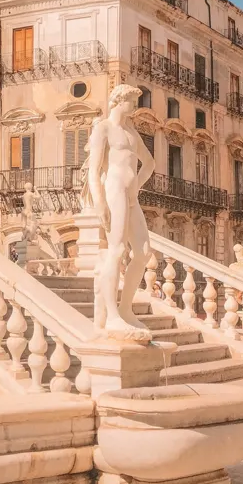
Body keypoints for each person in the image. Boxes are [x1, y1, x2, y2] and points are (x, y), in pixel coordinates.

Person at [84, 84, 154, 341]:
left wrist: (137, 185)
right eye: (131, 101)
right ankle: (112, 315)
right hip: (114, 188)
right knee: (117, 250)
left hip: (130, 193)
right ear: (119, 101)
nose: (134, 106)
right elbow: (93, 171)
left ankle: (125, 309)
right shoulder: (103, 128)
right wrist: (99, 202)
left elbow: (150, 163)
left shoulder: (131, 132)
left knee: (143, 252)